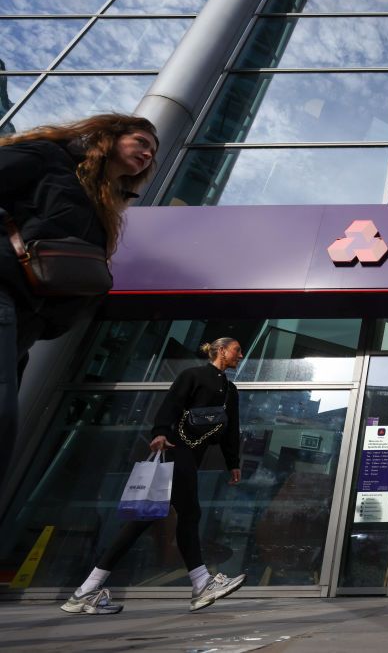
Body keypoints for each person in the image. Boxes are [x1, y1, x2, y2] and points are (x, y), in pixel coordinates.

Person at [0, 114, 158, 484]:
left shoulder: (104, 201)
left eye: (153, 151)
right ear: (109, 136)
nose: (148, 153)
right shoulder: (49, 157)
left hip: (28, 320)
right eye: (141, 141)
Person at [61, 338, 247, 615]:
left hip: (192, 457)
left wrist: (233, 462)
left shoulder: (231, 391)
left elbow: (231, 430)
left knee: (143, 520)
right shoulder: (192, 375)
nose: (240, 355)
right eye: (236, 350)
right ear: (221, 351)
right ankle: (201, 584)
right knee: (190, 513)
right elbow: (171, 404)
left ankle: (85, 591)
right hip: (175, 450)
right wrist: (160, 431)